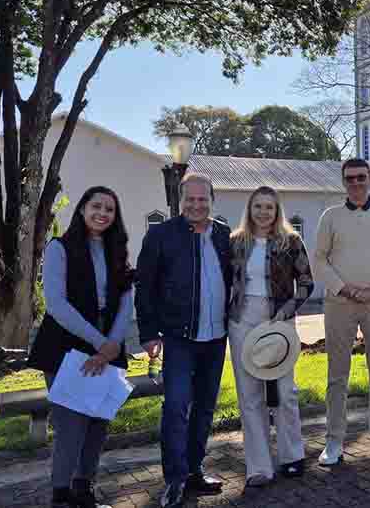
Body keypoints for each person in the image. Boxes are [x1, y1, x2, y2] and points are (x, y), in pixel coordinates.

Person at [27, 186, 134, 508]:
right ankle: (61, 496)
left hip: (110, 345)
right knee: (71, 426)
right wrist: (99, 343)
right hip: (65, 345)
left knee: (98, 425)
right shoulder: (60, 248)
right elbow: (56, 304)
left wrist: (112, 344)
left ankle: (84, 491)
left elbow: (127, 301)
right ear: (82, 209)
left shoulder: (118, 252)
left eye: (109, 209)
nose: (102, 213)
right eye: (96, 206)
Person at [135, 173, 232, 508]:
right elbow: (144, 286)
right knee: (176, 407)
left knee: (204, 408)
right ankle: (174, 480)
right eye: (189, 199)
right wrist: (148, 333)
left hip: (216, 337)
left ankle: (194, 471)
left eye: (202, 199)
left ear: (211, 200)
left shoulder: (223, 234)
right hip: (178, 338)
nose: (196, 205)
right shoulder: (161, 235)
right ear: (180, 200)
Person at [314, 157, 370, 464]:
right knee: (337, 375)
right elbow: (320, 259)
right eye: (350, 178)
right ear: (344, 182)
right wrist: (345, 287)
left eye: (361, 178)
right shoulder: (330, 216)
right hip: (339, 302)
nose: (356, 183)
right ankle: (334, 441)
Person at [228, 186, 314, 487]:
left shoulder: (291, 242)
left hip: (279, 319)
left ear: (277, 211)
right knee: (250, 396)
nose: (263, 212)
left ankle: (292, 456)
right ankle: (259, 466)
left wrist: (288, 310)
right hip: (243, 320)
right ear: (249, 210)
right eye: (258, 206)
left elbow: (306, 282)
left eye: (269, 207)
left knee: (285, 392)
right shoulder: (235, 243)